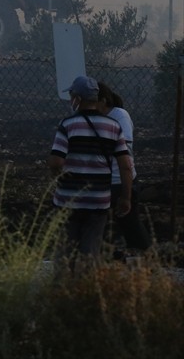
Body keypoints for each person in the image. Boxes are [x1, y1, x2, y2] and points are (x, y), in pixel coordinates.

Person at [48, 75, 133, 265]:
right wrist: (126, 197)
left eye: (71, 95)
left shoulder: (68, 125)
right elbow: (126, 166)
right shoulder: (114, 127)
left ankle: (63, 289)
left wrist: (57, 181)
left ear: (77, 99)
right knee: (91, 251)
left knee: (64, 250)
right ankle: (87, 289)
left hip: (68, 199)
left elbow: (55, 162)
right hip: (98, 200)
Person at [98, 81, 153, 255]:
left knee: (130, 223)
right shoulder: (97, 117)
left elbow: (125, 150)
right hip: (105, 179)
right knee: (106, 227)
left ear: (103, 100)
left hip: (119, 178)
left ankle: (147, 260)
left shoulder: (119, 115)